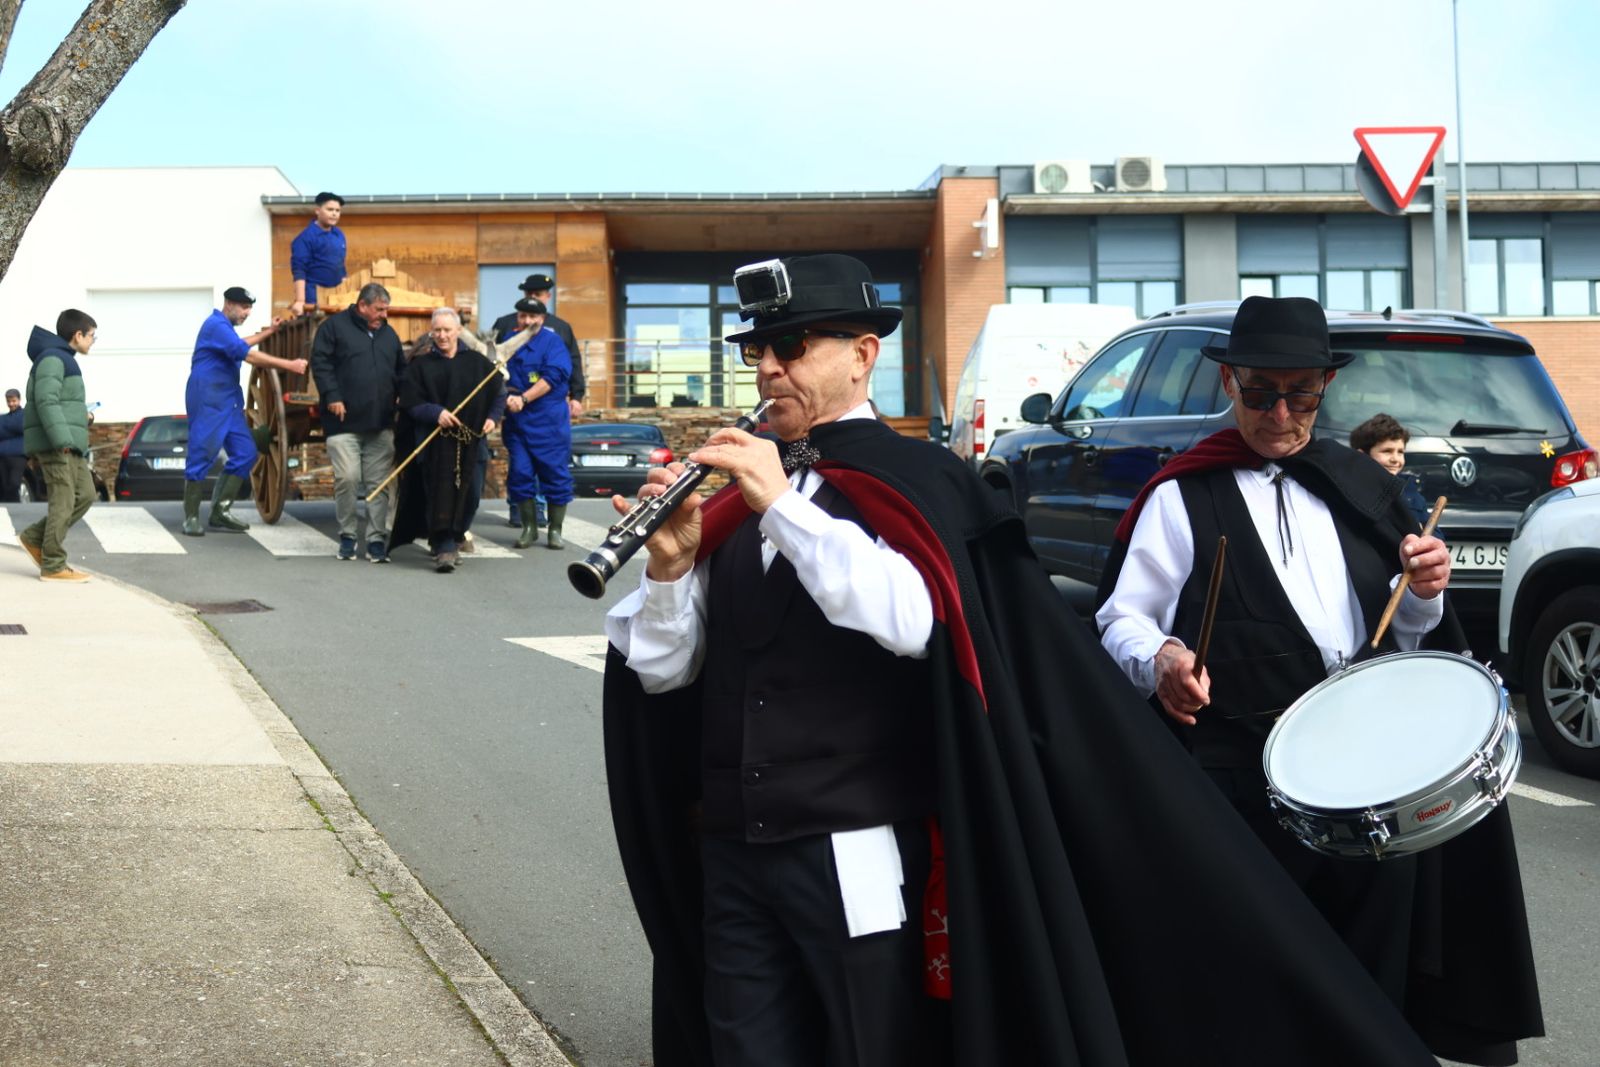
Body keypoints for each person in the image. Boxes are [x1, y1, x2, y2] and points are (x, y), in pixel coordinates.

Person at [602, 257, 1446, 1067]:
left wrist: (783, 505)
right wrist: (672, 567)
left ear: (863, 355)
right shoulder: (748, 500)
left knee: (870, 1048)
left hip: (851, 848)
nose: (771, 371)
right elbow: (663, 671)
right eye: (760, 351)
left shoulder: (910, 479)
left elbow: (909, 616)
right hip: (737, 856)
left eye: (795, 348)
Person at [1095, 295, 1543, 1064]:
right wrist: (1162, 658)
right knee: (1267, 987)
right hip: (1243, 780)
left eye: (1300, 394)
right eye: (1262, 391)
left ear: (1324, 389)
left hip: (1369, 777)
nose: (1279, 412)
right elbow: (1120, 618)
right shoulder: (1181, 495)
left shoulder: (1357, 485)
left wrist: (1426, 595)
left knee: (1378, 976)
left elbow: (1410, 636)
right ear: (1228, 382)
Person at [180, 287, 308, 536]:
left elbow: (240, 344)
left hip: (229, 400)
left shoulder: (224, 329)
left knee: (246, 452)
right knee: (202, 453)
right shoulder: (215, 325)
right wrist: (289, 365)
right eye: (243, 307)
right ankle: (191, 517)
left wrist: (269, 331)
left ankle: (221, 511)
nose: (247, 313)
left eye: (249, 308)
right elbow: (248, 356)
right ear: (228, 304)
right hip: (208, 398)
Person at [390, 308, 504, 573]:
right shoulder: (420, 366)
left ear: (458, 332)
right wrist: (436, 413)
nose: (442, 336)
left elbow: (498, 391)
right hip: (435, 443)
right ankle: (444, 546)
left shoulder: (477, 363)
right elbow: (411, 402)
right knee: (438, 494)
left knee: (473, 494)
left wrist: (493, 417)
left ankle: (456, 534)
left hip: (471, 442)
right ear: (431, 332)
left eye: (447, 330)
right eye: (437, 330)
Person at [310, 282, 406, 562]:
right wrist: (332, 396)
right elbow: (321, 363)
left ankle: (376, 540)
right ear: (363, 306)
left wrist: (404, 397)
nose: (384, 315)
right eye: (379, 309)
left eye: (386, 309)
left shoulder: (389, 336)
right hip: (342, 423)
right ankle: (348, 535)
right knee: (348, 478)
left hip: (381, 424)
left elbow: (402, 371)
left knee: (380, 484)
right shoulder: (333, 328)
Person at [491, 273, 587, 527]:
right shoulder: (504, 324)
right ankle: (519, 510)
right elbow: (491, 365)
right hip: (516, 411)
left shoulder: (559, 327)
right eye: (529, 293)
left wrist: (577, 395)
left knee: (550, 465)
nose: (533, 298)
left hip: (546, 411)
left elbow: (572, 363)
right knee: (520, 466)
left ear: (547, 296)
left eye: (538, 294)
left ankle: (542, 511)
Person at [17, 310, 98, 582]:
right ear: (78, 335)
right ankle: (53, 564)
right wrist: (62, 439)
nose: (92, 341)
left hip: (70, 444)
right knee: (62, 503)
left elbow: (61, 402)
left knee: (85, 495)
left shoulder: (64, 359)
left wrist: (82, 416)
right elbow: (46, 402)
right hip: (58, 445)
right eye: (91, 336)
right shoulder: (52, 359)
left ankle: (33, 538)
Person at [502, 297, 574, 549]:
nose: (527, 321)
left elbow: (553, 377)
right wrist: (504, 397)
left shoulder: (553, 342)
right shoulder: (508, 343)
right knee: (520, 475)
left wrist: (523, 398)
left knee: (555, 476)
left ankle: (554, 530)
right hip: (518, 424)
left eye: (533, 317)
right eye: (523, 316)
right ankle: (529, 528)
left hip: (549, 424)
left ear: (542, 319)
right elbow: (494, 373)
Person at [1352, 411, 1430, 523]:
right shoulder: (1351, 493)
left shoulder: (1412, 494)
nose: (1395, 459)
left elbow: (1434, 534)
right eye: (1387, 451)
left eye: (1400, 452)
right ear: (1362, 455)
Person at [289, 192, 347, 317]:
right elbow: (299, 270)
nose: (334, 213)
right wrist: (300, 301)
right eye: (330, 209)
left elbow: (341, 268)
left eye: (337, 210)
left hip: (337, 298)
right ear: (317, 211)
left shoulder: (339, 235)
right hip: (314, 298)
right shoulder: (305, 238)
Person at [0, 388, 25, 503]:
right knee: (3, 486)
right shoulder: (3, 418)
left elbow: (20, 426)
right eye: (9, 401)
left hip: (18, 456)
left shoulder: (24, 414)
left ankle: (16, 510)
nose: (11, 404)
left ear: (19, 400)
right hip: (2, 456)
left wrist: (5, 427)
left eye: (13, 401)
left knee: (14, 484)